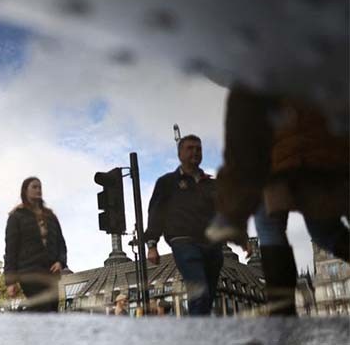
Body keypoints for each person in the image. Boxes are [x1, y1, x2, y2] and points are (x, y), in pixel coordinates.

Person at [205, 86, 349, 315]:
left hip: (277, 162)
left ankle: (283, 318)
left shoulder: (257, 71)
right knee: (325, 230)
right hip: (323, 159)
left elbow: (240, 144)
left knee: (271, 229)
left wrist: (232, 212)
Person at [144, 134, 223, 316]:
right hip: (184, 242)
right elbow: (156, 213)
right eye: (190, 148)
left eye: (199, 149)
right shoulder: (167, 183)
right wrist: (152, 244)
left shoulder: (212, 185)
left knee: (208, 296)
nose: (195, 152)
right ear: (180, 154)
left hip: (212, 245)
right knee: (200, 291)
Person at [4, 177, 68, 312]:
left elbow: (61, 243)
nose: (38, 190)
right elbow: (10, 250)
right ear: (25, 190)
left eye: (40, 187)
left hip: (50, 272)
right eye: (34, 187)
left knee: (52, 309)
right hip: (29, 271)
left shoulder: (50, 216)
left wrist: (60, 262)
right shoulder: (16, 216)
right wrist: (11, 281)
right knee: (42, 308)